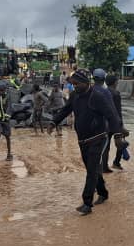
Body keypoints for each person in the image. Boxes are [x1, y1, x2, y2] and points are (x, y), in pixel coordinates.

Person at [49, 69, 125, 215]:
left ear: (86, 82)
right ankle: (103, 193)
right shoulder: (74, 95)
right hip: (82, 140)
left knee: (91, 169)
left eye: (77, 84)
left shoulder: (97, 97)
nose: (75, 86)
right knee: (92, 169)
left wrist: (117, 136)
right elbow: (66, 110)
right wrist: (54, 122)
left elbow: (112, 115)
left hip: (98, 138)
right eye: (73, 84)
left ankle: (87, 203)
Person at [106, 72, 127, 170]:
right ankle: (116, 162)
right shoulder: (116, 94)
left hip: (106, 123)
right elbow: (118, 111)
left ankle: (104, 165)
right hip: (115, 124)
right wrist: (121, 125)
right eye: (117, 81)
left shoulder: (103, 92)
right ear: (114, 82)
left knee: (106, 145)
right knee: (120, 143)